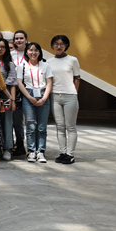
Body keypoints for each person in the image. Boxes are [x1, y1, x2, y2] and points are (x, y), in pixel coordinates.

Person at [17, 42, 53, 164]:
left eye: (36, 50)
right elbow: (19, 83)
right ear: (26, 52)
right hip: (28, 95)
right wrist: (29, 97)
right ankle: (31, 151)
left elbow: (49, 82)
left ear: (39, 52)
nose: (33, 52)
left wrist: (44, 98)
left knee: (42, 127)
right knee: (31, 126)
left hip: (43, 94)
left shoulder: (45, 65)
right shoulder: (22, 66)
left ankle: (41, 151)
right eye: (31, 50)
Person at [48, 35, 81, 165]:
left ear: (66, 45)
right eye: (56, 44)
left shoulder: (72, 60)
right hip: (55, 96)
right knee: (60, 126)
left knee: (70, 126)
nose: (59, 46)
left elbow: (77, 78)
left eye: (62, 44)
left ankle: (70, 154)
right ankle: (63, 152)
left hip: (70, 96)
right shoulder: (49, 62)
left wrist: (74, 93)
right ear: (52, 46)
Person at [0, 38, 18, 161]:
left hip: (6, 96)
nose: (0, 49)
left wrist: (12, 100)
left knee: (7, 122)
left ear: (6, 49)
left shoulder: (10, 65)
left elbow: (13, 84)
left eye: (2, 47)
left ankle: (7, 148)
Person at [10, 30, 29, 156]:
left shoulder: (31, 53)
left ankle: (31, 146)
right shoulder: (11, 54)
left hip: (28, 89)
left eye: (21, 38)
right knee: (16, 120)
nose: (19, 40)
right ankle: (18, 144)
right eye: (16, 38)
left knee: (29, 120)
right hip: (14, 90)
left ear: (26, 39)